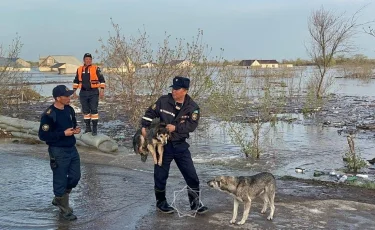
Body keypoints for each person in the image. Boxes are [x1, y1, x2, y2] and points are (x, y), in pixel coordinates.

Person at [140, 76, 208, 214]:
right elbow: (149, 113)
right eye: (173, 88)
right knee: (160, 174)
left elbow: (191, 125)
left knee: (191, 175)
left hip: (180, 145)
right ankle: (161, 203)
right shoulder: (163, 101)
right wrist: (144, 126)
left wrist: (175, 128)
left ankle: (195, 204)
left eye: (177, 89)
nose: (174, 91)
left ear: (185, 91)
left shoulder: (192, 107)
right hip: (163, 145)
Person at [38, 85, 81, 221]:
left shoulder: (69, 109)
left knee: (75, 177)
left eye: (69, 95)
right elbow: (43, 136)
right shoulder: (49, 115)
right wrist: (63, 133)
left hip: (72, 148)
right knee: (60, 179)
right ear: (58, 98)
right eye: (66, 96)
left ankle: (59, 198)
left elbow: (72, 124)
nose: (69, 98)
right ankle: (64, 210)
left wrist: (75, 130)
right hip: (57, 151)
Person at [72, 53, 105, 136]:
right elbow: (76, 81)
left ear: (91, 60)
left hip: (93, 92)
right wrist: (74, 92)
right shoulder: (79, 69)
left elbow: (102, 80)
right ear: (84, 60)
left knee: (94, 110)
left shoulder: (96, 68)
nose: (88, 60)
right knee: (85, 111)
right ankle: (87, 128)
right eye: (86, 59)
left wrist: (102, 91)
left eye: (89, 59)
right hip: (83, 92)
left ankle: (94, 129)